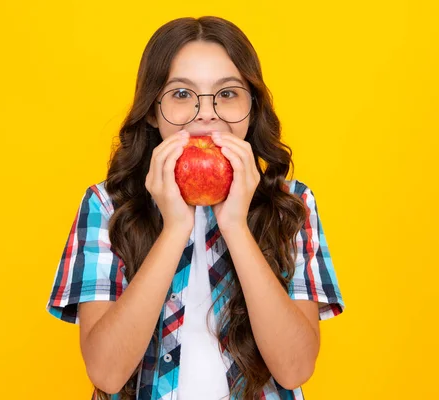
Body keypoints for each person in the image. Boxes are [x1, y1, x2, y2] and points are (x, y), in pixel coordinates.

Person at [46, 15, 346, 400]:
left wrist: (235, 226)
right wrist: (174, 229)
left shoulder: (291, 204)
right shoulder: (107, 205)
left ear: (252, 108)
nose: (207, 113)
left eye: (227, 93)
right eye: (182, 94)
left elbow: (295, 369)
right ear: (153, 111)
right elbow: (106, 372)